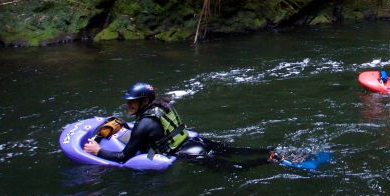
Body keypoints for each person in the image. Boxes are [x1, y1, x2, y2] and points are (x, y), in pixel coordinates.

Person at [84, 82, 278, 169]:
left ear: (144, 101)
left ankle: (266, 161)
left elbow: (122, 157)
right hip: (194, 141)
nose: (128, 104)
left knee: (233, 167)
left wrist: (97, 150)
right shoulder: (162, 105)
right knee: (235, 150)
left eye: (133, 101)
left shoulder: (143, 123)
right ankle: (269, 152)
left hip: (188, 154)